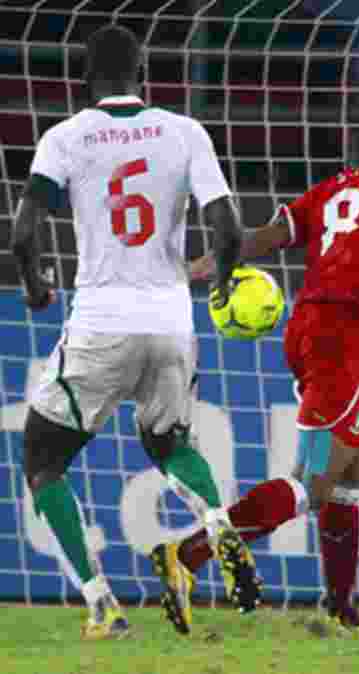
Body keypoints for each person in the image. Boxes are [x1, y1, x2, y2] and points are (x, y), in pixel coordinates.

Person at [149, 91, 359, 636]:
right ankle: (188, 554)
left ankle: (340, 604)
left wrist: (197, 268)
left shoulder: (330, 191)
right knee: (311, 482)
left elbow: (260, 238)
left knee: (348, 476)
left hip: (316, 332)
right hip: (348, 337)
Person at [11, 24, 262, 640]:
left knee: (44, 457)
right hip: (172, 320)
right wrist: (224, 285)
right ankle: (218, 525)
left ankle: (101, 605)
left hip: (102, 318)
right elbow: (226, 227)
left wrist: (36, 280)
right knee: (170, 444)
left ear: (86, 78)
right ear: (143, 73)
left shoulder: (65, 138)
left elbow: (24, 227)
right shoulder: (185, 132)